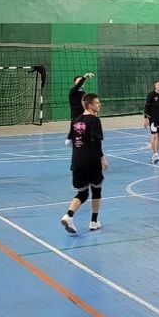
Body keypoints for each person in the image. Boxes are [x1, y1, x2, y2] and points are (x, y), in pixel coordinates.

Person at [61, 93, 108, 234]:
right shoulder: (95, 120)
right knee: (96, 190)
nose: (99, 105)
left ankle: (68, 216)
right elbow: (96, 142)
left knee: (82, 193)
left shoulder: (75, 120)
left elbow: (68, 142)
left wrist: (80, 148)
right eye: (97, 103)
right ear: (90, 105)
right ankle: (93, 222)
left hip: (77, 161)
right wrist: (102, 158)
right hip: (92, 161)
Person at [144, 80, 159, 163]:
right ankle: (154, 155)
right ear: (155, 86)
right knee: (154, 136)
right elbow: (146, 107)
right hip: (152, 119)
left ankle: (156, 154)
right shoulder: (151, 95)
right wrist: (145, 119)